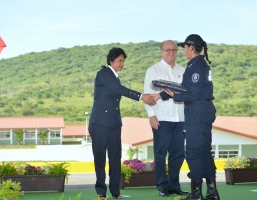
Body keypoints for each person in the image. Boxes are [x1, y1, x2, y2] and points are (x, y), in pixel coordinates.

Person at [154, 34, 220, 200]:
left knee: (193, 152)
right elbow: (190, 89)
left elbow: (194, 93)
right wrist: (172, 92)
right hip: (202, 111)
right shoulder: (198, 65)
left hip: (197, 113)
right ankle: (212, 192)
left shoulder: (196, 66)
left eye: (184, 47)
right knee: (204, 151)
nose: (183, 50)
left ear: (191, 47)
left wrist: (174, 94)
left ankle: (196, 193)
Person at [88, 47, 155, 200]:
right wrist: (141, 96)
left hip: (113, 123)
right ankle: (101, 192)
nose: (122, 63)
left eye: (123, 61)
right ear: (111, 60)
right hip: (99, 123)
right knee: (100, 158)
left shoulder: (114, 76)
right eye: (120, 60)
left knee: (115, 158)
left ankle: (115, 192)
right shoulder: (104, 73)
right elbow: (119, 89)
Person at [144, 40, 189, 197]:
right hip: (162, 118)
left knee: (178, 154)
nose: (171, 53)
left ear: (177, 52)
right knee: (161, 154)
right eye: (167, 50)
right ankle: (162, 186)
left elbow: (184, 92)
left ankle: (174, 186)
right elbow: (148, 96)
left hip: (180, 119)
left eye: (174, 50)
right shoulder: (153, 71)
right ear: (161, 51)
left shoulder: (183, 71)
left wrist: (164, 93)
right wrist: (151, 115)